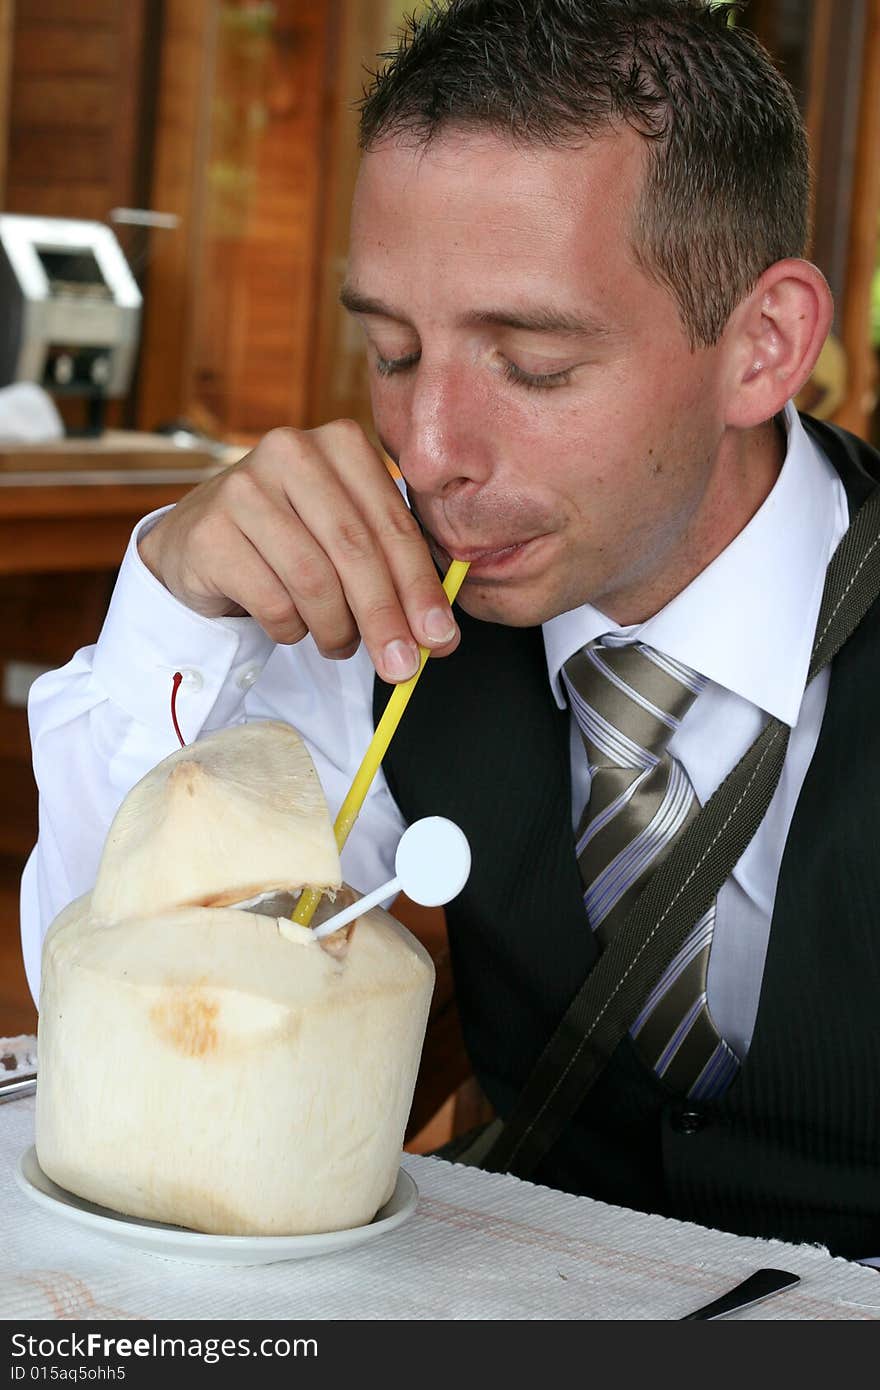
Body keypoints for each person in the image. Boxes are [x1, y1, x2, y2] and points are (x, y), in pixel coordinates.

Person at [21, 0, 880, 1261]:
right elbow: (117, 1016)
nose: (429, 455)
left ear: (762, 345)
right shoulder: (383, 615)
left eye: (531, 365)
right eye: (389, 351)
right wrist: (176, 603)